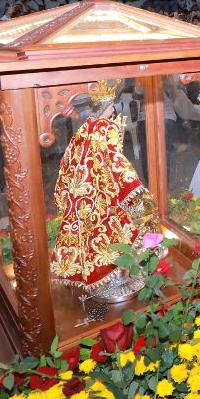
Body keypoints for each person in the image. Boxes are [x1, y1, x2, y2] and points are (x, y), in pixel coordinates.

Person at [50, 79, 161, 296]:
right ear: (106, 106)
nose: (113, 108)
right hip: (103, 192)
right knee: (118, 228)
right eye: (111, 105)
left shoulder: (84, 127)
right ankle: (117, 274)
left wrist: (68, 189)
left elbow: (68, 160)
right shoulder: (107, 126)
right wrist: (133, 185)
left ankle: (95, 275)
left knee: (88, 236)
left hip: (81, 192)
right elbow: (115, 160)